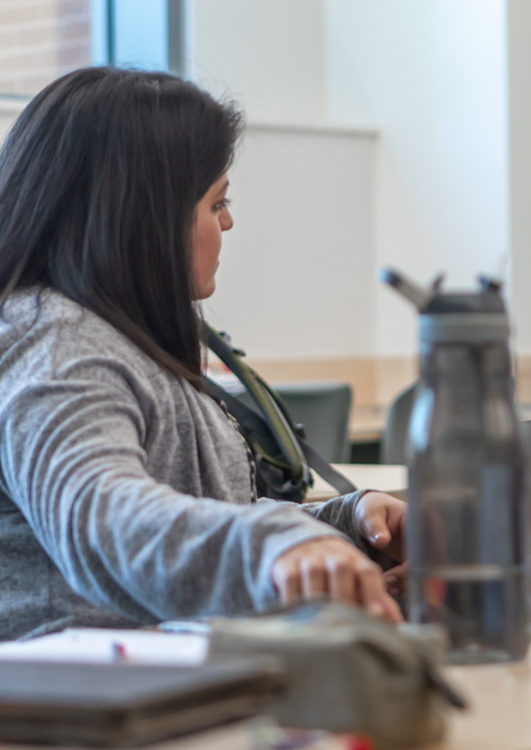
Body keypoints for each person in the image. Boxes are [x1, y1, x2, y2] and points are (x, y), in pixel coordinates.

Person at [0, 67, 406, 642]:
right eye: (217, 202)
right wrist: (275, 546)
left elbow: (202, 515)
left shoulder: (122, 340)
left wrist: (345, 528)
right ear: (142, 218)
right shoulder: (56, 341)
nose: (228, 222)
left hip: (161, 697)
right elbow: (102, 521)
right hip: (77, 719)